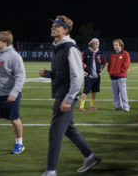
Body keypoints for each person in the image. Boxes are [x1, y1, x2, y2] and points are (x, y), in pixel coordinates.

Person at [39, 15, 100, 176]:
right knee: (69, 129)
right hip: (62, 94)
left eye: (57, 26)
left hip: (66, 97)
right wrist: (50, 74)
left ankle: (51, 171)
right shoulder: (58, 47)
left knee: (55, 133)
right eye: (52, 25)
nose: (53, 27)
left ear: (66, 30)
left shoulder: (70, 48)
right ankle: (90, 156)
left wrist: (69, 98)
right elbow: (63, 73)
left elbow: (78, 76)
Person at [0, 30, 26, 154]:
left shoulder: (14, 56)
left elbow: (20, 76)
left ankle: (19, 144)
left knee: (14, 119)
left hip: (10, 95)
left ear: (4, 42)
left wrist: (14, 93)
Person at [79, 38, 106, 111]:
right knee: (85, 91)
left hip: (96, 76)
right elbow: (80, 62)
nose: (98, 45)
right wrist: (84, 69)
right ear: (92, 44)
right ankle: (81, 106)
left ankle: (92, 105)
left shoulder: (100, 53)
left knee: (94, 91)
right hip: (89, 75)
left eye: (98, 43)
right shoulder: (85, 52)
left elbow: (103, 62)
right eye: (96, 43)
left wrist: (100, 69)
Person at [107, 39, 131, 111]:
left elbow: (126, 65)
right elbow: (109, 65)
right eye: (114, 45)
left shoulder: (125, 54)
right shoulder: (112, 55)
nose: (115, 46)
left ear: (121, 45)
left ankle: (126, 106)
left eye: (116, 45)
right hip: (113, 77)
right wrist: (110, 72)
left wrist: (120, 72)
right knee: (115, 93)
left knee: (123, 92)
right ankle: (118, 106)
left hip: (121, 77)